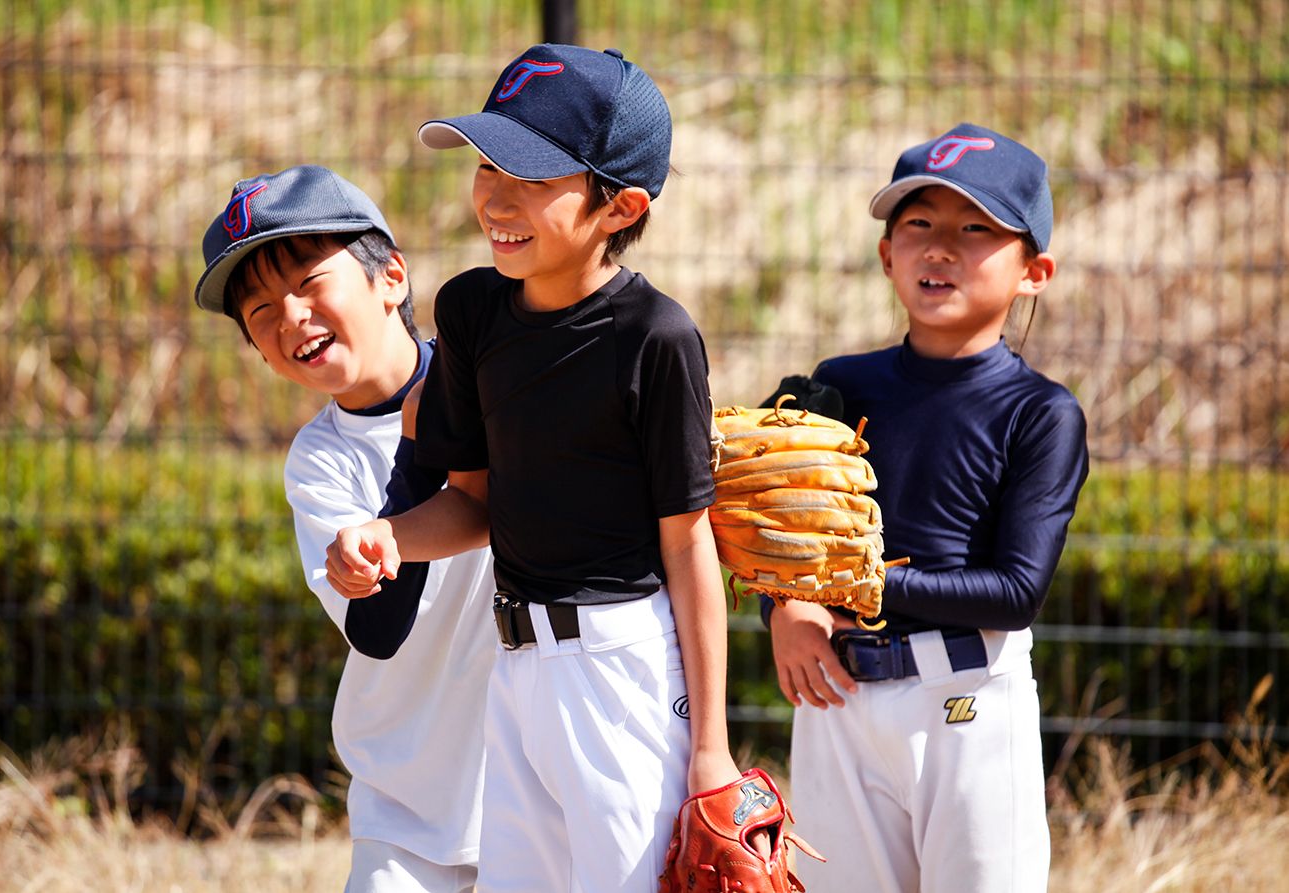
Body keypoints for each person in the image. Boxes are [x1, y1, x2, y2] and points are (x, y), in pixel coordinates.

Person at [324, 44, 758, 893]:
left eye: (530, 174)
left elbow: (687, 545)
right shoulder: (471, 311)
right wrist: (389, 538)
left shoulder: (656, 337)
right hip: (517, 668)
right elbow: (474, 503)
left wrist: (711, 747)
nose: (495, 196)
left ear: (619, 205)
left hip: (623, 670)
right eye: (488, 164)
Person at [764, 124, 1088, 892]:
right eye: (918, 223)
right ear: (887, 255)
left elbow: (1015, 592)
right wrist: (786, 603)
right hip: (838, 701)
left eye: (976, 229)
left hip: (968, 699)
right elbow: (782, 527)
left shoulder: (1040, 413)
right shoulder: (838, 385)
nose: (940, 247)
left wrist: (850, 585)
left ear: (1034, 272)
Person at [193, 165, 497, 893]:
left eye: (308, 281)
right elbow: (379, 629)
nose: (291, 315)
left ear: (391, 277)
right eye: (260, 311)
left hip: (535, 785)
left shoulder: (496, 380)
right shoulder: (320, 463)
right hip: (407, 804)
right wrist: (418, 448)